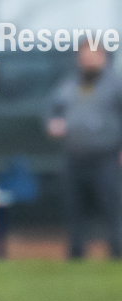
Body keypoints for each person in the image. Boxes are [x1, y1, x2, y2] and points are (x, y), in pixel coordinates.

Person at [47, 41, 122, 259]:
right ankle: (77, 254)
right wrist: (52, 123)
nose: (88, 59)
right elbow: (50, 110)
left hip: (106, 156)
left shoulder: (115, 85)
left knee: (111, 207)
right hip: (74, 156)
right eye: (84, 55)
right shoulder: (68, 84)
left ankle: (117, 252)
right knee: (74, 209)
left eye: (93, 55)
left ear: (104, 57)